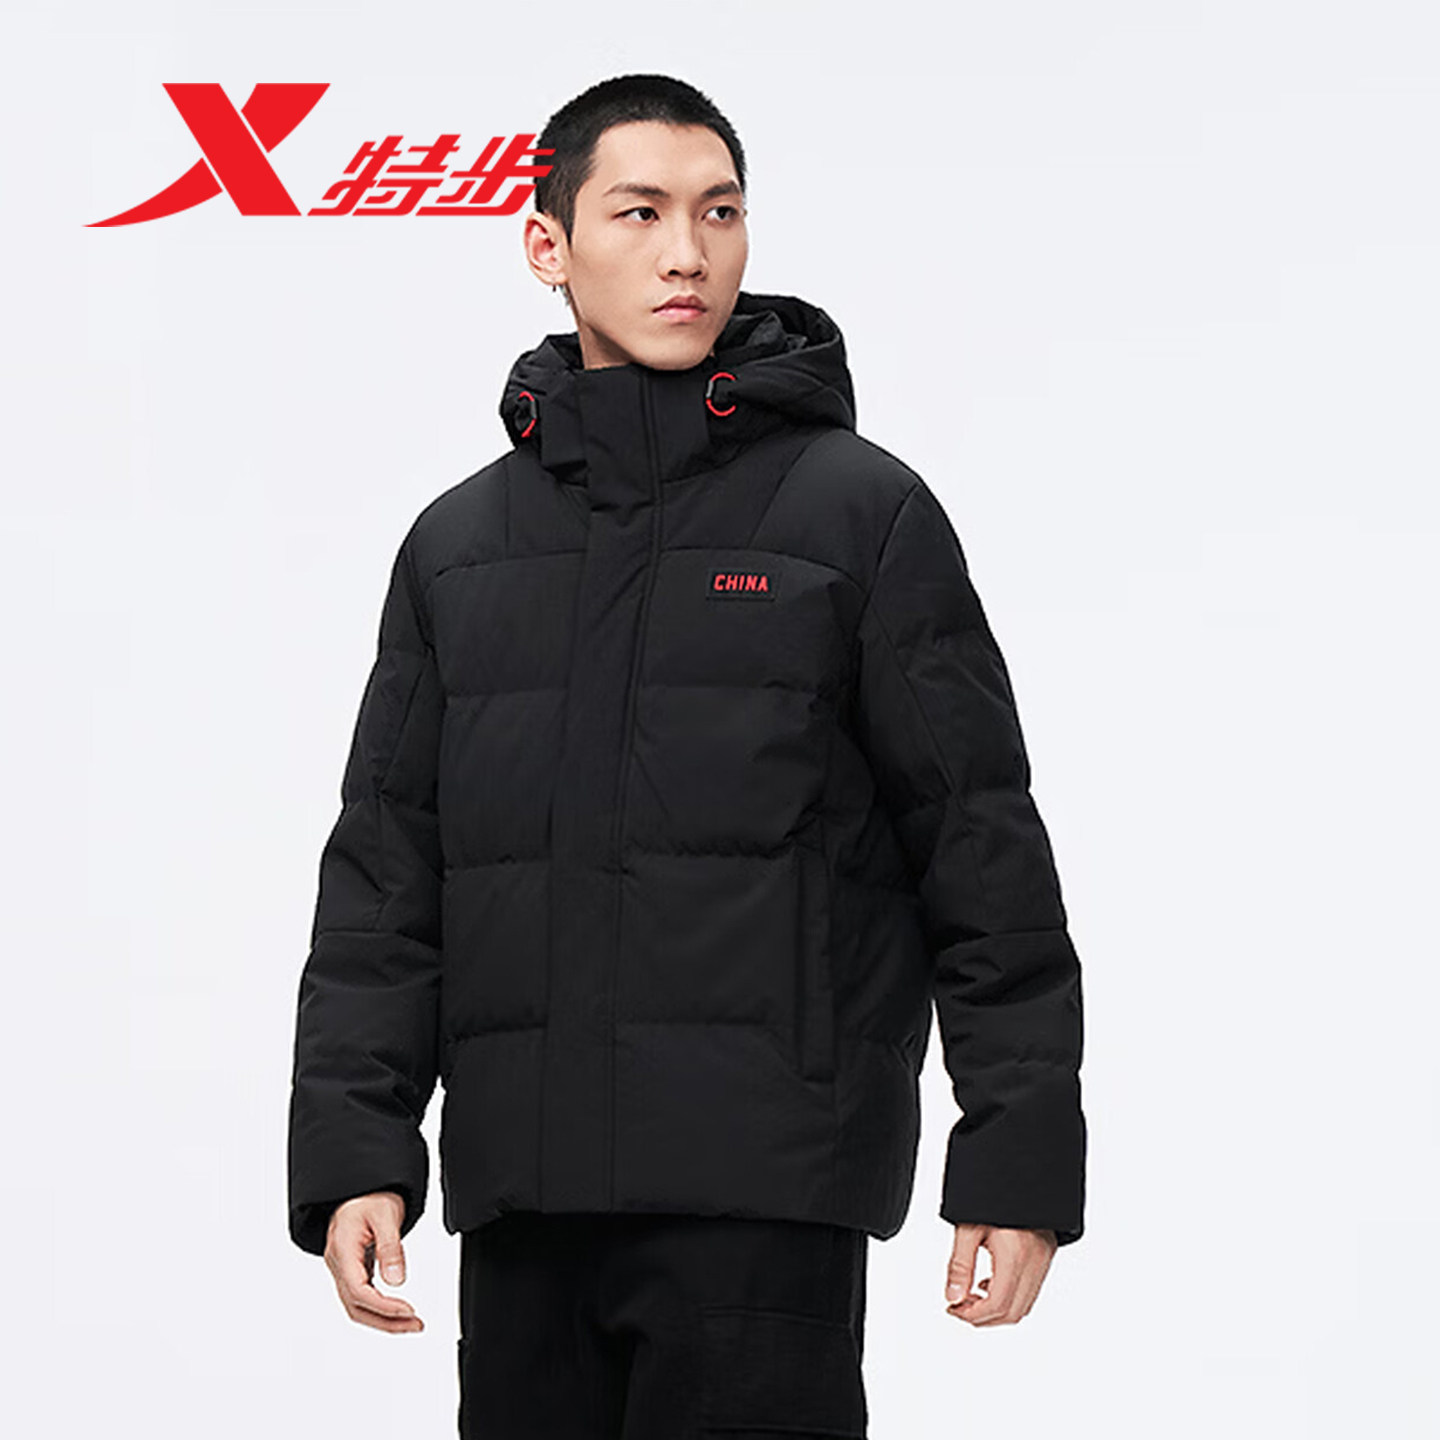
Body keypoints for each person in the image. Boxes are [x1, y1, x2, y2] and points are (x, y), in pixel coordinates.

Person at [287, 72, 1087, 1438]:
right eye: (641, 212)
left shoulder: (857, 516)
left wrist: (1015, 1158)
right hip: (528, 1205)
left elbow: (980, 851)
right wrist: (359, 1147)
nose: (687, 253)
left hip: (763, 1196)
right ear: (547, 246)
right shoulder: (459, 550)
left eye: (720, 213)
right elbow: (387, 879)